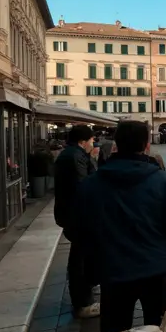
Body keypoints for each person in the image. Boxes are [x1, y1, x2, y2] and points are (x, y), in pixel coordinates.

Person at [73, 119, 166, 332]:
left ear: (116, 144)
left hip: (112, 271)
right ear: (146, 145)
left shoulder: (91, 184)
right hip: (157, 269)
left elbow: (78, 231)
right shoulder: (162, 181)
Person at [53, 124, 100, 318]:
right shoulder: (75, 157)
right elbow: (85, 186)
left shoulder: (71, 155)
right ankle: (83, 302)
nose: (93, 143)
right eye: (91, 140)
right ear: (83, 141)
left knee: (82, 256)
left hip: (74, 214)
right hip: (78, 215)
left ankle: (85, 292)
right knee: (80, 259)